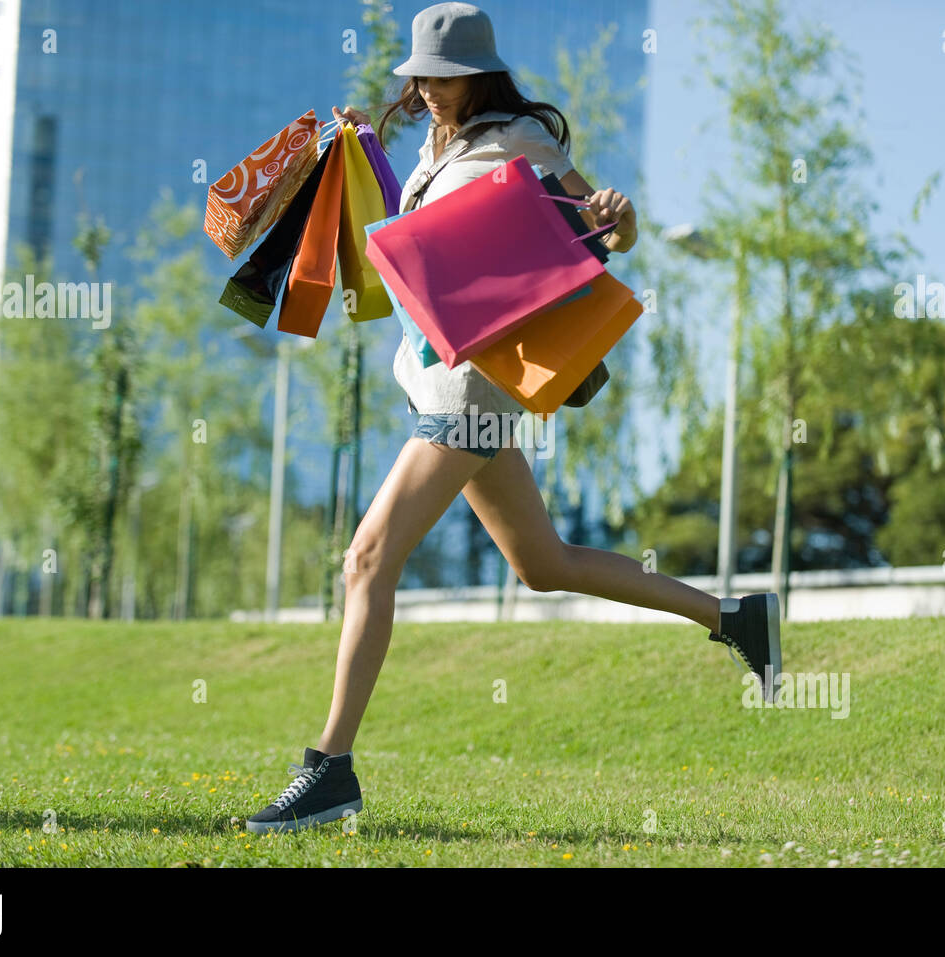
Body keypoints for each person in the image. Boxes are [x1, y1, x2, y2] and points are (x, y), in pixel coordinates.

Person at [247, 1, 781, 835]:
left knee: (365, 559)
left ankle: (329, 768)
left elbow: (609, 228)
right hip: (438, 382)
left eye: (435, 78)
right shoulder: (436, 145)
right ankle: (733, 617)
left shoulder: (522, 142)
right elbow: (414, 236)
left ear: (472, 77)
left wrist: (619, 213)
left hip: (471, 392)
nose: (420, 89)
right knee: (542, 562)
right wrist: (365, 148)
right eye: (416, 77)